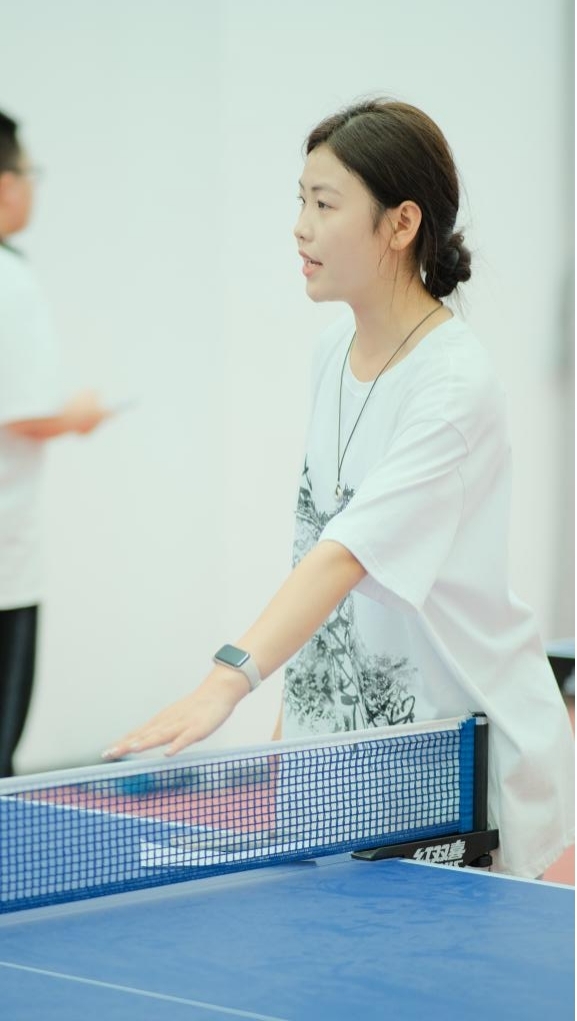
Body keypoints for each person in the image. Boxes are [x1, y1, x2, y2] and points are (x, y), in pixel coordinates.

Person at [103, 99, 574, 878]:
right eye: (300, 201)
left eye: (325, 205)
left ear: (400, 223)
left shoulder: (453, 386)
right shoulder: (332, 351)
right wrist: (296, 726)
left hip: (451, 755)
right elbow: (316, 546)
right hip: (346, 757)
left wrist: (226, 680)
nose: (300, 227)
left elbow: (345, 553)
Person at [0, 110, 111, 776]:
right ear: (5, 185)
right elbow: (25, 411)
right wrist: (79, 414)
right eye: (29, 172)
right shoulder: (10, 280)